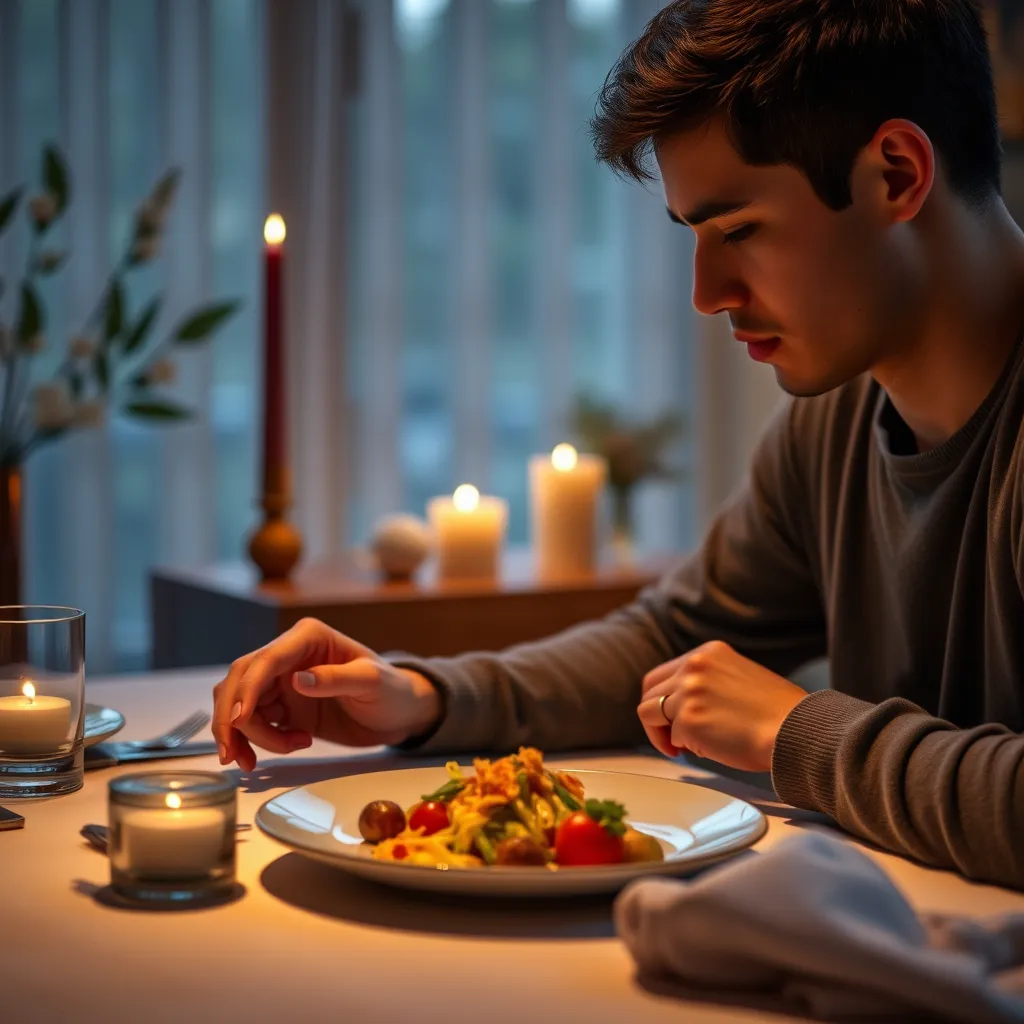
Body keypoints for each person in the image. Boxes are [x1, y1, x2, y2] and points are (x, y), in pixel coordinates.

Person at [213, 0, 1024, 890]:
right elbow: (674, 638)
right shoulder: (830, 424)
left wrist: (802, 733)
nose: (706, 292)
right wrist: (423, 698)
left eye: (740, 230)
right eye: (694, 238)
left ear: (898, 174)